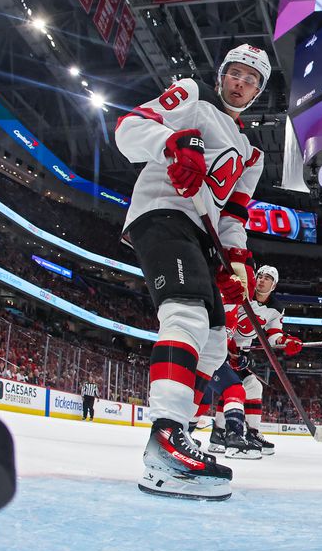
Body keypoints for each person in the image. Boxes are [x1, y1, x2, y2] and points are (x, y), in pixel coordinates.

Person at [115, 43, 270, 500]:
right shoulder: (192, 97)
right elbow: (129, 129)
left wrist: (234, 263)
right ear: (222, 74)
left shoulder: (251, 154)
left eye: (251, 79)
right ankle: (164, 440)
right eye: (236, 73)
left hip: (201, 238)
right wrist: (172, 146)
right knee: (185, 316)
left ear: (258, 91)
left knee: (216, 343)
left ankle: (183, 430)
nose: (240, 83)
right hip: (162, 212)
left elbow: (232, 217)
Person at [211, 264, 301, 457]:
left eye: (267, 277)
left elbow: (272, 334)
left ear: (274, 285)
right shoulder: (243, 292)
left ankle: (251, 433)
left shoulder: (276, 309)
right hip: (220, 345)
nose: (261, 279)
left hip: (240, 352)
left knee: (252, 386)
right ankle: (219, 433)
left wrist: (286, 341)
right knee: (233, 387)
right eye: (259, 275)